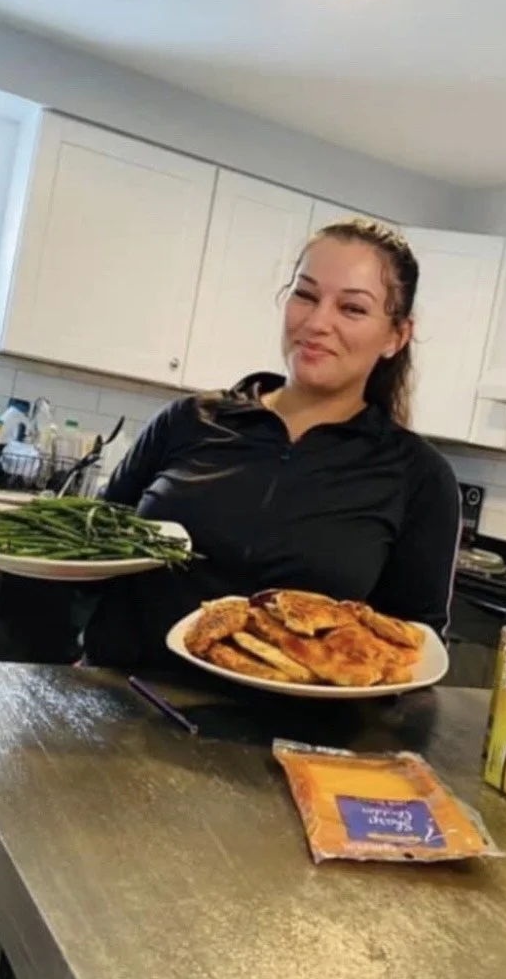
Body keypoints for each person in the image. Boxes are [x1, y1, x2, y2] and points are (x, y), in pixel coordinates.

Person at [82, 218, 461, 671]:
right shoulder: (189, 421)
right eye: (306, 295)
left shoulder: (418, 476)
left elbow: (412, 645)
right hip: (121, 706)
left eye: (353, 309)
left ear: (396, 336)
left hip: (284, 734)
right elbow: (96, 546)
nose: (318, 322)